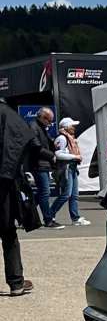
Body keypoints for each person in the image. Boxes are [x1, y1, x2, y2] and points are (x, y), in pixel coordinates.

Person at [1, 98, 42, 295]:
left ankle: (17, 282)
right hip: (5, 182)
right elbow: (32, 142)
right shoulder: (9, 114)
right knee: (8, 232)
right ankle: (16, 283)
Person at [49, 117, 89, 226]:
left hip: (72, 167)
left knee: (74, 195)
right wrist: (74, 156)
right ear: (66, 127)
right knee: (66, 194)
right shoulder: (62, 138)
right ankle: (50, 214)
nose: (74, 128)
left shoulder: (69, 138)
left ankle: (75, 218)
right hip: (66, 168)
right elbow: (58, 154)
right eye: (72, 126)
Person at [29, 108, 62, 229]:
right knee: (45, 192)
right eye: (49, 120)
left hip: (43, 164)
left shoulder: (41, 127)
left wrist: (54, 145)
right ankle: (48, 220)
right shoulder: (33, 126)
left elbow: (45, 142)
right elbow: (36, 146)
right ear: (43, 117)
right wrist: (51, 155)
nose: (50, 123)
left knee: (41, 193)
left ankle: (26, 215)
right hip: (38, 164)